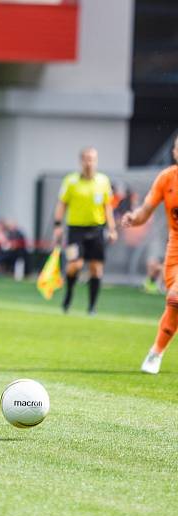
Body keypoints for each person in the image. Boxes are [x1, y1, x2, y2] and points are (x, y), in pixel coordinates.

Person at [121, 135, 178, 374]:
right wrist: (134, 218)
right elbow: (146, 210)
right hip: (176, 248)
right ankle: (156, 352)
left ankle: (156, 352)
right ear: (174, 152)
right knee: (174, 300)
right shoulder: (166, 178)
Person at [52, 147, 117, 315]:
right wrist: (58, 225)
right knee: (75, 265)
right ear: (81, 161)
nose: (89, 162)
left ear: (96, 161)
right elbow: (62, 204)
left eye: (92, 159)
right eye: (86, 159)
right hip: (76, 230)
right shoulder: (71, 181)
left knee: (96, 268)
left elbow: (107, 206)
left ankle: (92, 307)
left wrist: (112, 228)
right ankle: (68, 297)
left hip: (96, 229)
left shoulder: (103, 181)